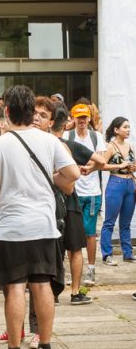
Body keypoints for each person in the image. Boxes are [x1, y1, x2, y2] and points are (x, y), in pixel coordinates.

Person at [0, 85, 79, 349]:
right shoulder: (49, 141)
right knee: (42, 284)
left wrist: (7, 180)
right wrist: (46, 174)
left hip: (12, 226)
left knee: (14, 287)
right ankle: (45, 348)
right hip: (44, 225)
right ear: (32, 112)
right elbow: (72, 174)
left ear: (7, 111)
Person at [50, 103, 104, 304]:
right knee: (75, 248)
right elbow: (100, 160)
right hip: (69, 202)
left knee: (52, 248)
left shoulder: (41, 144)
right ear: (67, 123)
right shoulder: (69, 145)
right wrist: (88, 168)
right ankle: (74, 292)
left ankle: (51, 293)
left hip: (49, 202)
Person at [65, 104, 106, 286]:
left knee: (90, 233)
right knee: (70, 234)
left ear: (89, 118)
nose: (82, 121)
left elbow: (102, 162)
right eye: (78, 117)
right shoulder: (67, 136)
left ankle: (90, 269)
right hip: (72, 190)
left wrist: (90, 168)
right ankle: (72, 271)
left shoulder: (96, 136)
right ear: (73, 118)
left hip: (91, 192)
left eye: (84, 117)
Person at [100, 117, 136, 264]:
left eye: (129, 127)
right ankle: (107, 254)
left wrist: (132, 167)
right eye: (125, 127)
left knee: (126, 223)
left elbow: (133, 164)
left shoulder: (131, 146)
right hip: (116, 183)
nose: (128, 130)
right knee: (109, 222)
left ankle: (127, 254)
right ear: (116, 130)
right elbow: (102, 165)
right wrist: (120, 165)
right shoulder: (110, 146)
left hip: (130, 183)